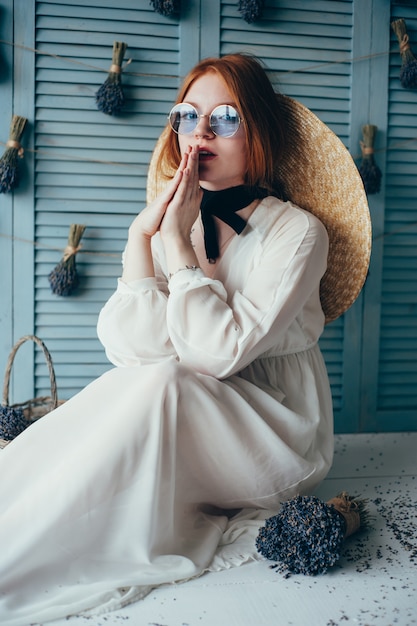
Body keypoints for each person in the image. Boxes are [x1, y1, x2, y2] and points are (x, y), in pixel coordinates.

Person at [0, 53, 370, 625]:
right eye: (186, 116)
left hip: (274, 433)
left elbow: (212, 356)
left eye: (224, 118)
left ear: (259, 134)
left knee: (164, 383)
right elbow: (133, 350)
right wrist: (139, 238)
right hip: (191, 417)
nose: (200, 132)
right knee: (134, 385)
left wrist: (175, 250)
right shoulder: (183, 220)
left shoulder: (298, 233)